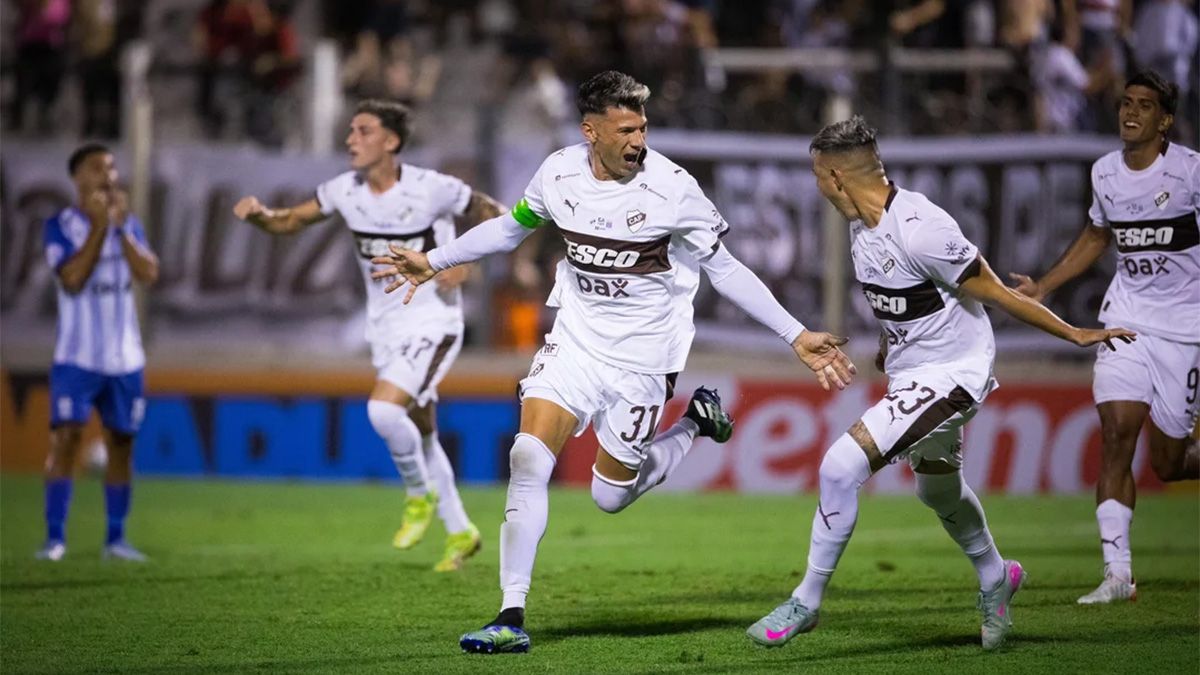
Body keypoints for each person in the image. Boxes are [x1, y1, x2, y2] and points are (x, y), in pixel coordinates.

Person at [371, 70, 857, 654]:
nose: (638, 141)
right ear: (590, 131)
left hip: (644, 357)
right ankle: (510, 616)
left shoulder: (672, 188)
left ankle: (694, 423)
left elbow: (726, 269)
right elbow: (510, 229)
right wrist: (434, 259)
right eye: (626, 129)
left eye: (642, 128)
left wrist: (795, 334)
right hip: (576, 342)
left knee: (610, 496)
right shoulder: (558, 173)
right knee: (527, 457)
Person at [747, 116, 1135, 651]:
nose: (818, 190)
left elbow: (997, 292)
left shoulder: (922, 227)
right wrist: (890, 345)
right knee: (938, 490)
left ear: (836, 177)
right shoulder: (862, 228)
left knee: (840, 466)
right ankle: (996, 576)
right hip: (913, 375)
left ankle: (806, 601)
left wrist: (1074, 333)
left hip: (955, 376)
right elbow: (907, 301)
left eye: (818, 178)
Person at [232, 99, 503, 572]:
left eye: (362, 131)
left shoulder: (432, 188)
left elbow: (495, 213)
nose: (350, 139)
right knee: (422, 432)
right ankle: (460, 531)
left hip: (433, 322)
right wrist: (259, 215)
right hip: (386, 329)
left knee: (382, 411)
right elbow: (291, 220)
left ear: (391, 141)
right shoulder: (345, 191)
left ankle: (417, 495)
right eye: (350, 131)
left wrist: (465, 262)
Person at [1010, 71, 1199, 605]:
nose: (1130, 113)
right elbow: (1098, 234)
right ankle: (1118, 575)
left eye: (1145, 106)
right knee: (1117, 434)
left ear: (1165, 120)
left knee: (1169, 463)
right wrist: (1044, 286)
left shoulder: (1190, 172)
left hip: (1184, 329)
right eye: (1125, 103)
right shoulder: (1105, 172)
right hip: (1126, 319)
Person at [39, 143, 160, 562]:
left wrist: (120, 229)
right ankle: (55, 539)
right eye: (96, 168)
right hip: (77, 357)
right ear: (77, 178)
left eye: (110, 168)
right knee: (66, 440)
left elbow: (148, 272)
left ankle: (116, 539)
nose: (107, 176)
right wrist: (97, 228)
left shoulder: (129, 223)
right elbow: (72, 279)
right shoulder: (59, 226)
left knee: (121, 444)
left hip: (125, 359)